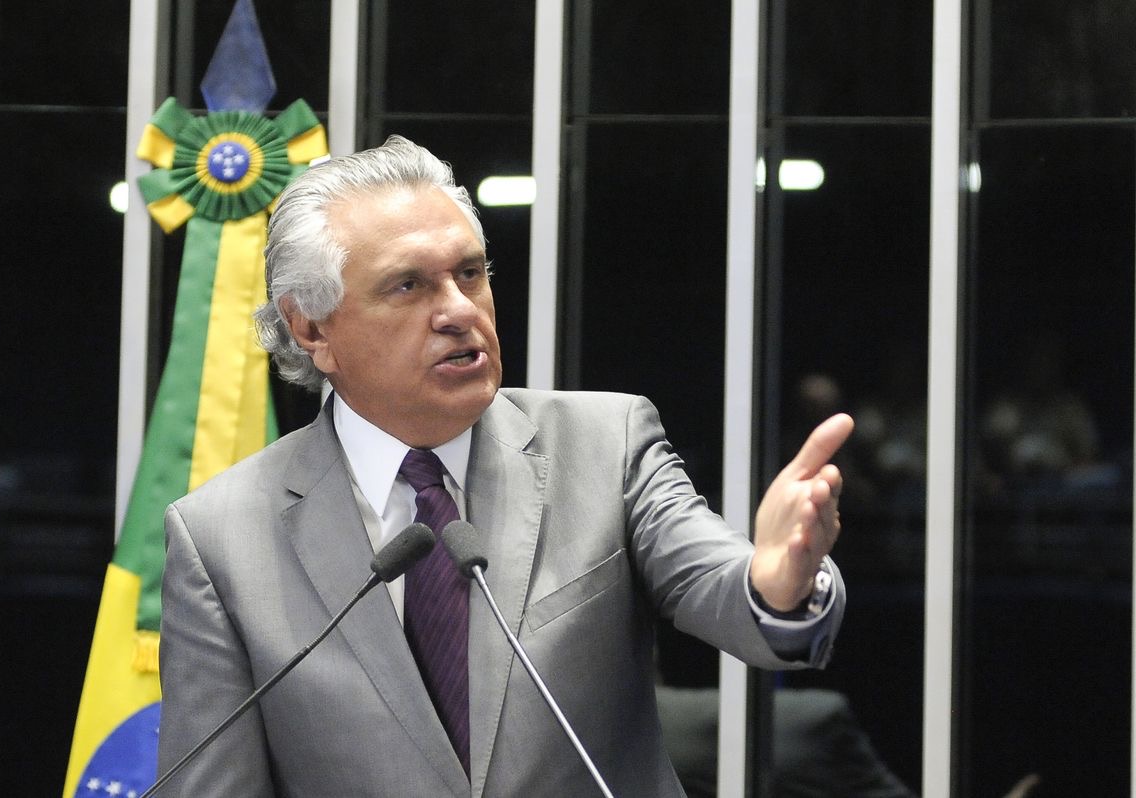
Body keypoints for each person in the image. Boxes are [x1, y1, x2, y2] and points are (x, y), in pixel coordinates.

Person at [157, 135, 855, 796]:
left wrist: (776, 584)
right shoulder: (222, 538)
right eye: (408, 286)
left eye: (469, 273)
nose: (459, 311)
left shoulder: (604, 444)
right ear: (312, 329)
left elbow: (718, 582)